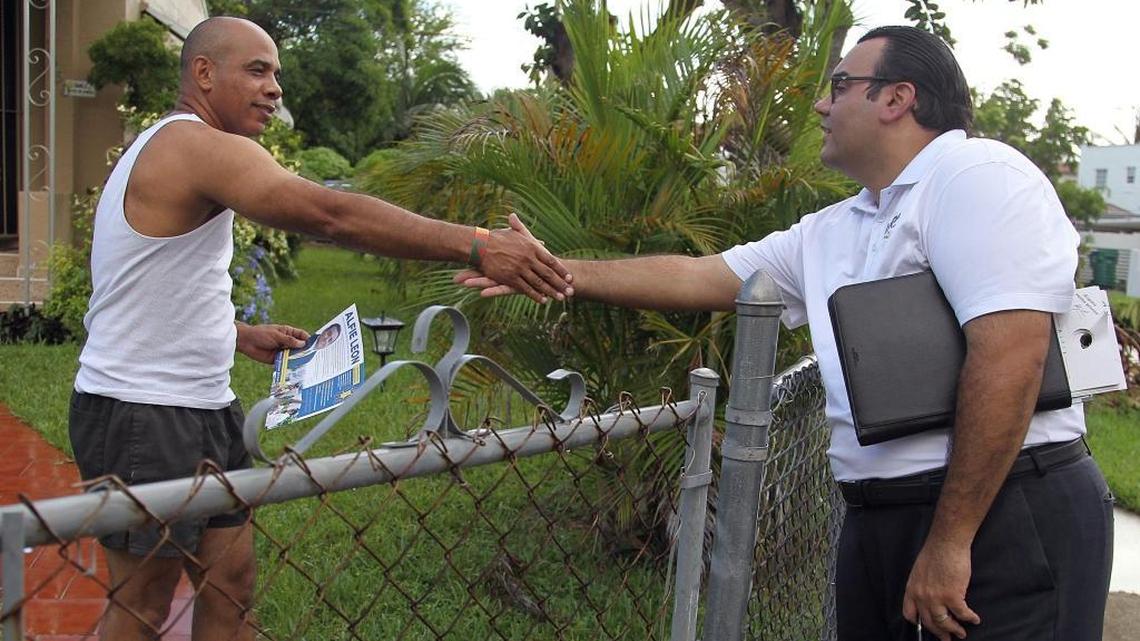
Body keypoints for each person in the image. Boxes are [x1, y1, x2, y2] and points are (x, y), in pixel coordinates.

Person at [458, 25, 1113, 641]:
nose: (823, 107)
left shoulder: (974, 178)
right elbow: (696, 276)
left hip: (999, 513)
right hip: (881, 518)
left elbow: (1010, 359)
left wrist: (948, 541)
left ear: (897, 98)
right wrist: (549, 268)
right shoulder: (833, 229)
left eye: (839, 85)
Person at [68, 16, 572, 641]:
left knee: (232, 587)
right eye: (257, 70)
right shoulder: (192, 145)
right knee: (141, 605)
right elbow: (327, 214)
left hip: (204, 406)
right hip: (143, 413)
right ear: (203, 73)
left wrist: (233, 333)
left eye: (276, 72)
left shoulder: (179, 148)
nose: (275, 87)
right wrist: (476, 245)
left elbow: (144, 278)